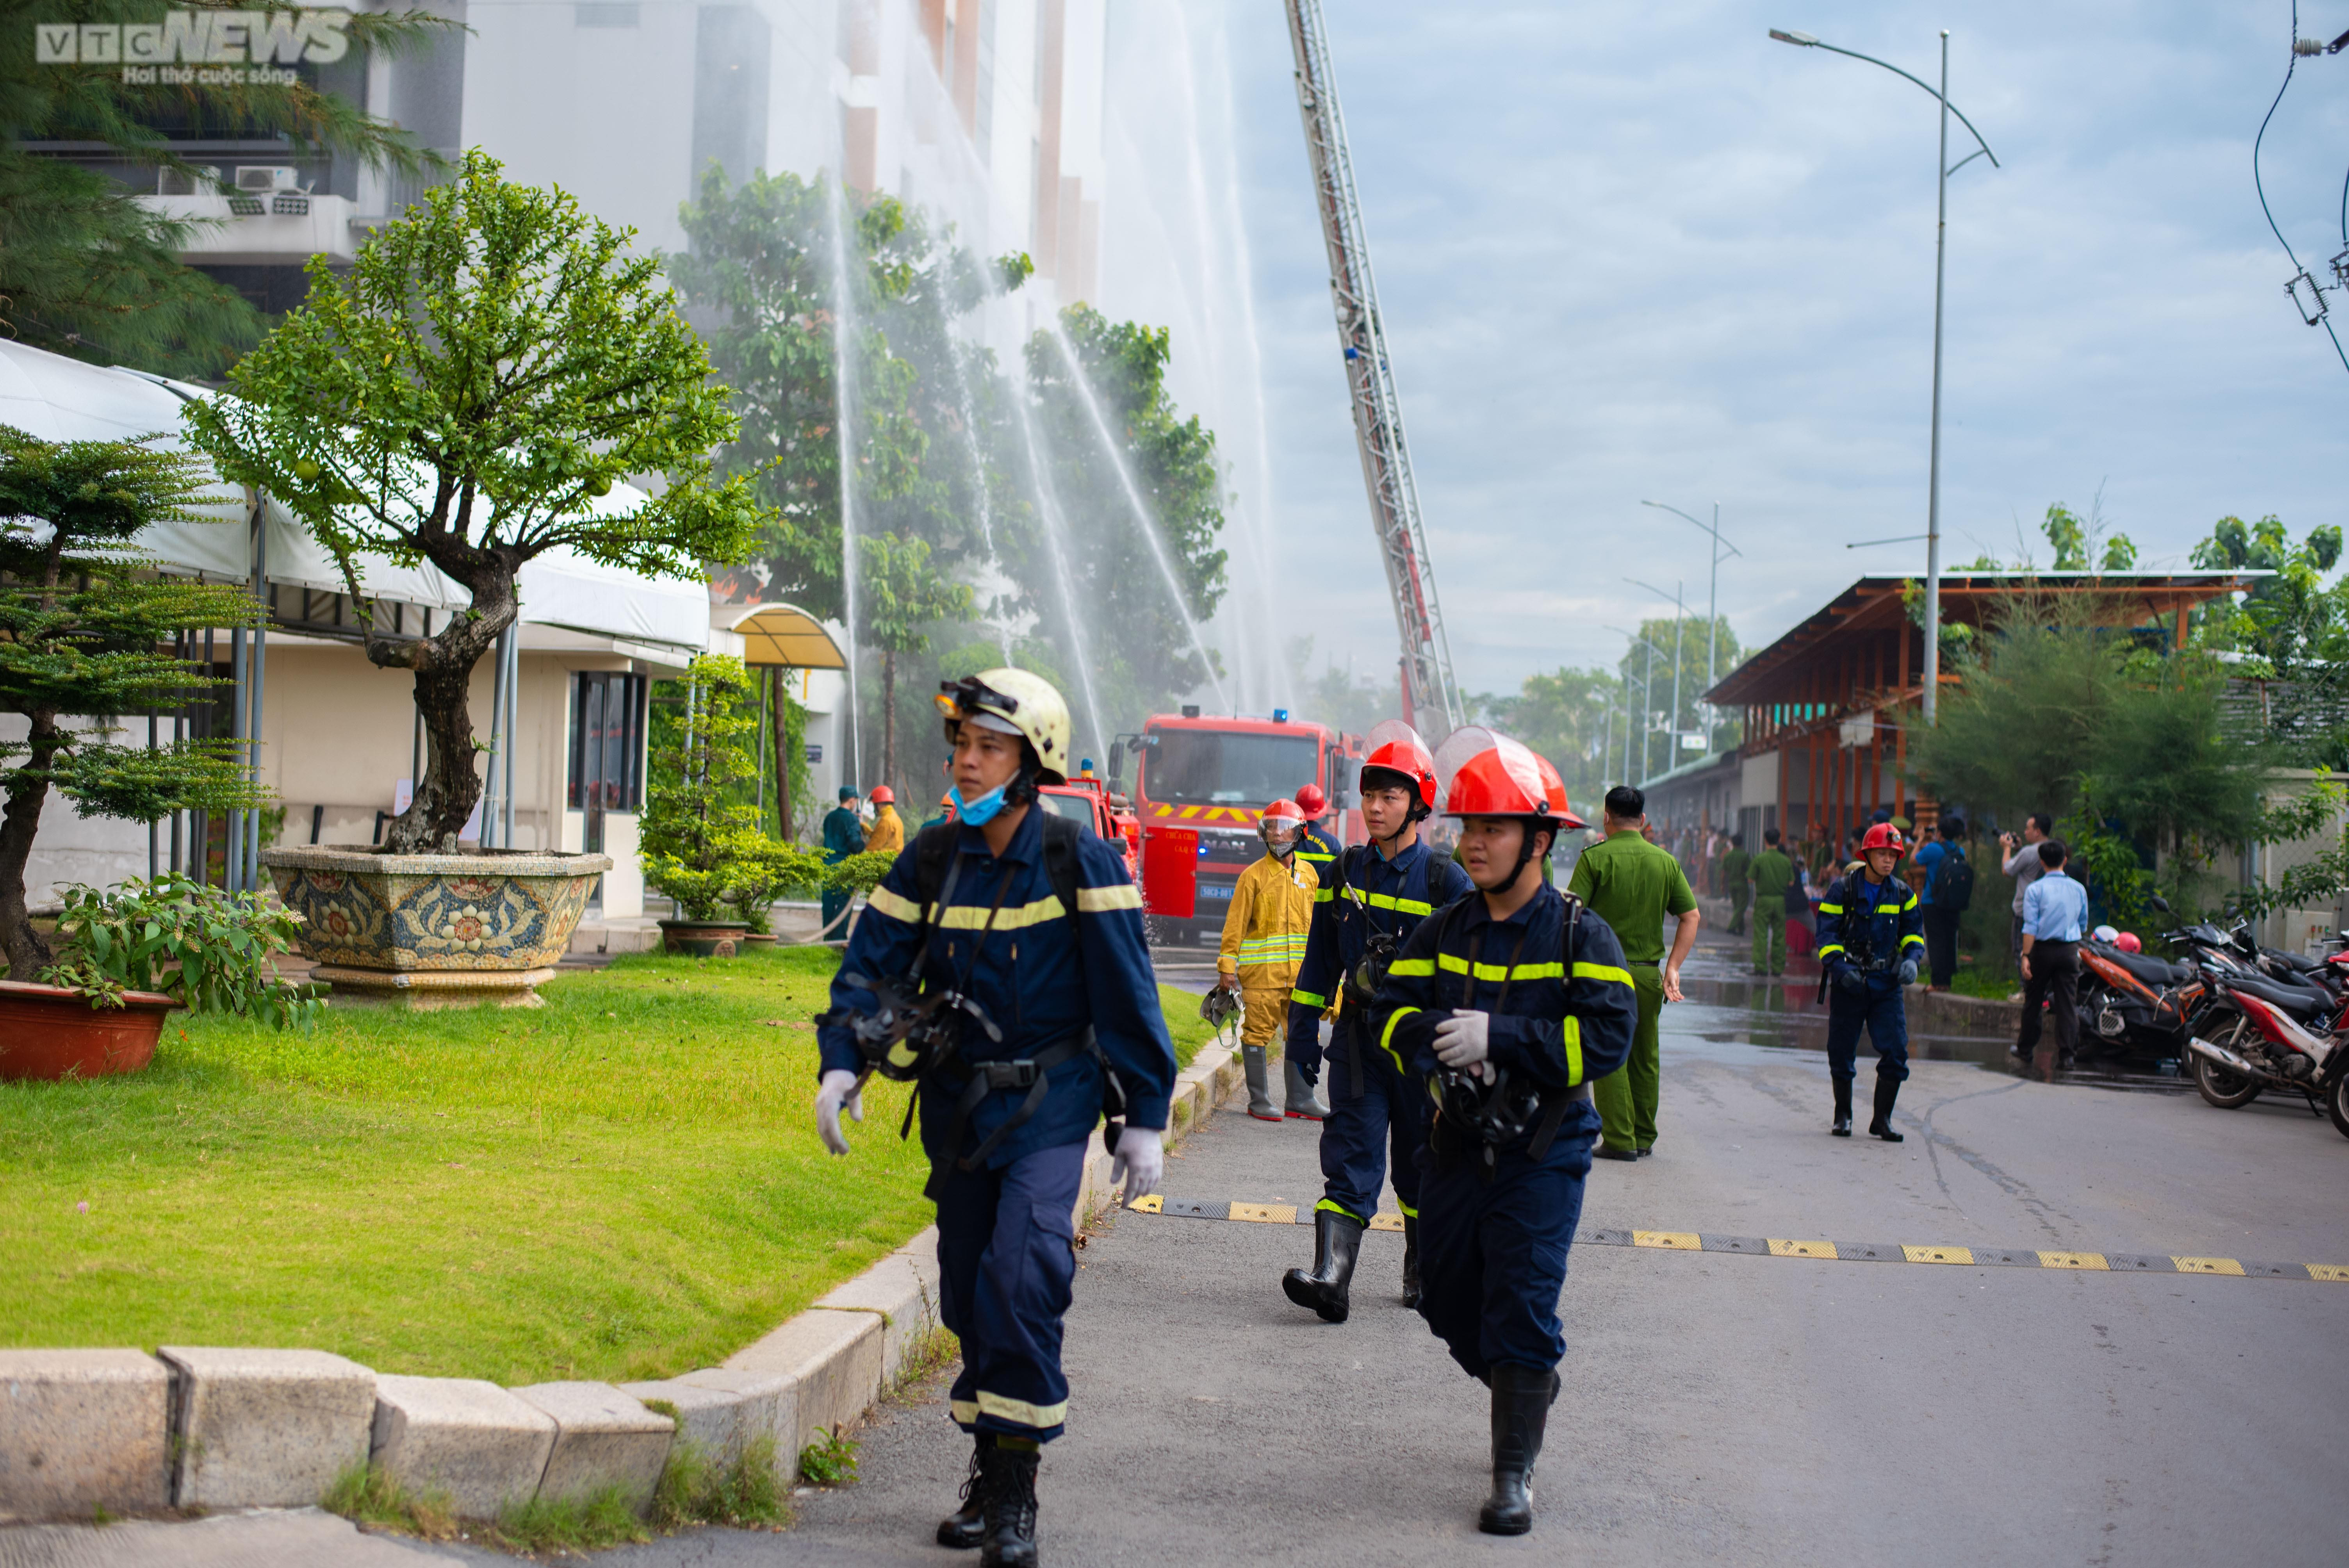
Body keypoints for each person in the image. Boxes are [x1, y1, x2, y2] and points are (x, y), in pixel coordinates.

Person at [814, 669, 1176, 1567]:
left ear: (1032, 762)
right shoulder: (931, 857)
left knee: (1024, 1272)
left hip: (1052, 1105)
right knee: (973, 1287)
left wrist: (1146, 1111)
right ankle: (990, 1461)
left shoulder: (1076, 859)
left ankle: (1015, 1495)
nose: (965, 762)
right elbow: (869, 969)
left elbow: (1128, 992)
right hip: (958, 1108)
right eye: (962, 745)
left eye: (987, 747)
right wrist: (842, 1061)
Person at [1366, 736, 1636, 1536]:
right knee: (1445, 1298)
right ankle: (1524, 1378)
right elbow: (1386, 1018)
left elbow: (1608, 1040)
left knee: (1520, 1298)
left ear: (1540, 840)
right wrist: (1438, 1036)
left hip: (1542, 1153)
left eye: (1493, 827)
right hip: (1453, 1146)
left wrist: (1506, 1039)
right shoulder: (1444, 928)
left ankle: (1511, 1473)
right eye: (1466, 826)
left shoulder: (1579, 936)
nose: (1472, 842)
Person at [1280, 724, 1472, 1323]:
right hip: (1360, 1047)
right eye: (1370, 796)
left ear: (1418, 804)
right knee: (1350, 1156)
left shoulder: (1446, 881)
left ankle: (1423, 1268)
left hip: (1421, 1052)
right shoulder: (1342, 873)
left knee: (1423, 1164)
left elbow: (1472, 975)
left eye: (1391, 797)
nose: (1376, 808)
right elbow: (1319, 961)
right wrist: (1302, 1031)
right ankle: (1332, 1278)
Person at [1568, 784, 1698, 1161]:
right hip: (1647, 976)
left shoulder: (1595, 859)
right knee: (1645, 1055)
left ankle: (1620, 1139)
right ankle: (1644, 1136)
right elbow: (1691, 916)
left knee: (1609, 1054)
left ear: (1606, 817)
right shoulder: (1665, 861)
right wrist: (1672, 967)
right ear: (1643, 820)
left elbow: (1572, 914)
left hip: (1604, 975)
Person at [1814, 821, 1926, 1140]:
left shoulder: (1903, 893)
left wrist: (1911, 961)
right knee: (1841, 1050)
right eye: (1882, 853)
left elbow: (1913, 934)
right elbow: (1826, 934)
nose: (1888, 860)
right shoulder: (1843, 889)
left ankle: (1882, 1120)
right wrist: (1840, 968)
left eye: (1893, 855)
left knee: (1896, 1052)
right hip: (1851, 983)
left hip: (1886, 984)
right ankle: (1843, 1116)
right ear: (1867, 855)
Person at [1215, 799, 1319, 1122]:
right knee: (1257, 1034)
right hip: (1263, 978)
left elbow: (1320, 928)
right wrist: (1227, 969)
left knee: (1303, 1034)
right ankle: (1259, 1101)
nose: (1277, 835)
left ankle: (1301, 1099)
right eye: (1271, 828)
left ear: (1299, 833)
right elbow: (1235, 926)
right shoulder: (1253, 877)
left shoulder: (1310, 875)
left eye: (1283, 828)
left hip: (1301, 978)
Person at [2014, 837, 2087, 1076]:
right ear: (2065, 860)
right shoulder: (2078, 889)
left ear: (2042, 862)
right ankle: (2067, 1056)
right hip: (2069, 951)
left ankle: (2025, 1049)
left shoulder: (2035, 890)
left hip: (2042, 951)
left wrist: (2026, 956)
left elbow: (2030, 927)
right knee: (2067, 1003)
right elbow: (2083, 923)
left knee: (2034, 1000)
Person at [1916, 817, 1972, 991]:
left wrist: (1920, 839)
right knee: (1949, 941)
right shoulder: (1959, 851)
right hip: (1953, 903)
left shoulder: (1933, 849)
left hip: (1933, 903)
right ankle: (1946, 982)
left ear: (1939, 833)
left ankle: (1937, 982)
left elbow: (1914, 860)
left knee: (1935, 942)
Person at [2001, 813, 2053, 989]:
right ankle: (2042, 990)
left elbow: (2007, 870)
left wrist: (2007, 848)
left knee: (2021, 951)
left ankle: (2026, 988)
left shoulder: (2029, 852)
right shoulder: (2053, 849)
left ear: (2037, 831)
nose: (2025, 832)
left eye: (2028, 828)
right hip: (2046, 910)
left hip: (2024, 910)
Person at [1747, 826, 1795, 976]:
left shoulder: (1760, 859)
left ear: (1765, 841)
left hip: (1763, 901)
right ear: (1779, 840)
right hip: (1780, 900)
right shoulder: (1786, 861)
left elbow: (1750, 879)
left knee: (1761, 934)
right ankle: (1778, 968)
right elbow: (1791, 883)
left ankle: (1761, 967)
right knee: (1780, 935)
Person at [821, 786, 866, 935]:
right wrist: (864, 840)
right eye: (856, 801)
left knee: (828, 904)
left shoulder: (830, 817)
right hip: (844, 868)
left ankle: (827, 939)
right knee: (843, 905)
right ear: (852, 801)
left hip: (827, 866)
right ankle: (837, 942)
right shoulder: (852, 819)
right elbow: (855, 845)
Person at [1722, 832, 1751, 936]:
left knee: (1737, 907)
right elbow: (1749, 871)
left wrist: (1723, 885)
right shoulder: (1745, 855)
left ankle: (1741, 929)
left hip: (1731, 884)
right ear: (1742, 843)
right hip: (1742, 884)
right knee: (1741, 907)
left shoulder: (1728, 855)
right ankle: (1732, 927)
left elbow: (1724, 871)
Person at [865, 784, 905, 857]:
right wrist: (869, 833)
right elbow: (885, 839)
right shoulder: (896, 818)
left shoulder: (886, 821)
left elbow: (872, 847)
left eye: (875, 805)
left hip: (885, 861)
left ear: (879, 805)